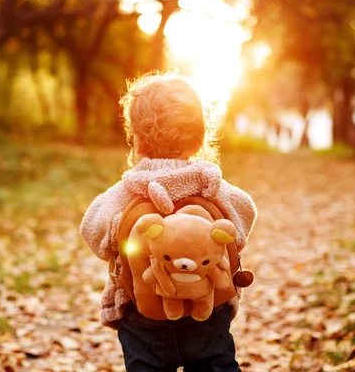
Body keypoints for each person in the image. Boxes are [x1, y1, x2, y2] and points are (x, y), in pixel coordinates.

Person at [79, 72, 257, 371]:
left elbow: (92, 230)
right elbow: (244, 215)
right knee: (216, 363)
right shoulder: (210, 184)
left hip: (143, 314)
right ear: (199, 137)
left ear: (135, 139)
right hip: (207, 307)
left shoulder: (126, 191)